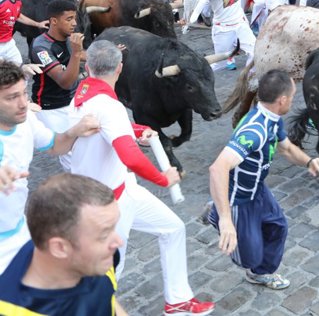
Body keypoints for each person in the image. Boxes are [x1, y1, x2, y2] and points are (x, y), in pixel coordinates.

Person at [67, 40, 215, 315]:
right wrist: (164, 178)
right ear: (120, 69)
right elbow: (131, 157)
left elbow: (106, 127)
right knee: (111, 271)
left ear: (88, 67)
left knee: (172, 228)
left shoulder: (84, 91)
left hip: (122, 188)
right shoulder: (109, 106)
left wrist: (134, 129)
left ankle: (178, 300)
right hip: (108, 203)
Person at [208, 69, 319, 290]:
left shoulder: (272, 118)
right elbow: (218, 168)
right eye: (292, 96)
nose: (293, 100)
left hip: (258, 190)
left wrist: (310, 162)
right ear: (282, 100)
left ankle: (259, 274)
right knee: (247, 258)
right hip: (239, 199)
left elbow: (287, 149)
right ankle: (217, 212)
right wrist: (226, 220)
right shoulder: (254, 131)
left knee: (278, 227)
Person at [0, 61, 100, 275]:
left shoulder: (26, 122)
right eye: (11, 98)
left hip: (19, 229)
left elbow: (55, 145)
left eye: (23, 94)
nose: (23, 103)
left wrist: (75, 131)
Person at [0, 173, 126, 315]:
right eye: (104, 235)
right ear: (59, 248)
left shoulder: (101, 258)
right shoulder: (11, 310)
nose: (118, 242)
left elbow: (106, 294)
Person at [30, 0, 84, 167]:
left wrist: (108, 53)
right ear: (54, 21)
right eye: (69, 19)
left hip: (72, 101)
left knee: (85, 146)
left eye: (74, 18)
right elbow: (65, 82)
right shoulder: (41, 47)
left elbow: (84, 55)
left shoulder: (67, 38)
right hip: (51, 107)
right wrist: (75, 53)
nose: (74, 23)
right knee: (71, 155)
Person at [0, 0, 48, 65]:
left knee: (19, 67)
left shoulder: (17, 2)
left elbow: (18, 16)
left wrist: (38, 24)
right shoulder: (1, 2)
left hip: (9, 43)